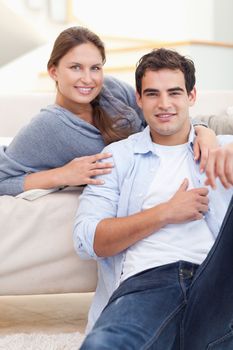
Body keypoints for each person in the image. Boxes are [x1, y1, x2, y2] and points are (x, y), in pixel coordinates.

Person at [74, 48, 233, 349]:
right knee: (104, 345)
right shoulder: (117, 158)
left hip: (219, 286)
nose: (164, 104)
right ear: (138, 98)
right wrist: (166, 212)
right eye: (152, 94)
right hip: (148, 282)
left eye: (174, 93)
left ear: (192, 96)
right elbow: (86, 239)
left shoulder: (222, 148)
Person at [0, 27, 216, 196]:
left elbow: (161, 110)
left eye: (95, 68)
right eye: (76, 67)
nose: (88, 78)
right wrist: (62, 175)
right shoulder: (46, 127)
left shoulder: (110, 88)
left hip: (186, 135)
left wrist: (202, 130)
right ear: (53, 71)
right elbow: (3, 180)